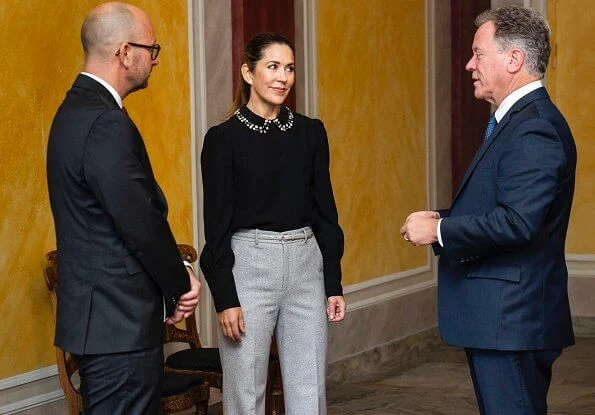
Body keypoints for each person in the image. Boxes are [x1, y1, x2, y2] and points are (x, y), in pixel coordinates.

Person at [400, 6, 575, 414]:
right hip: (504, 321)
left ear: (514, 59)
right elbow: (502, 206)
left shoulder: (534, 127)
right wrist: (440, 218)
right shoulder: (515, 121)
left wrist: (440, 231)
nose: (468, 65)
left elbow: (517, 223)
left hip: (511, 322)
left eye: (478, 54)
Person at [46, 2, 200, 413]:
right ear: (124, 52)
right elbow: (140, 223)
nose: (155, 59)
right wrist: (181, 282)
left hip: (103, 324)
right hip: (119, 327)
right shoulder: (104, 122)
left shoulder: (72, 112)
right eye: (152, 49)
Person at [200, 32, 346, 414]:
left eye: (290, 68)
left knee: (308, 388)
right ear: (249, 73)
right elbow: (215, 228)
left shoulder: (311, 132)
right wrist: (225, 298)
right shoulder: (222, 139)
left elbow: (326, 213)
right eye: (273, 66)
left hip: (306, 264)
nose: (283, 77)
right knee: (245, 391)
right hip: (249, 264)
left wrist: (333, 282)